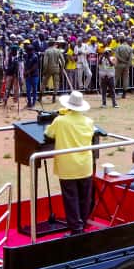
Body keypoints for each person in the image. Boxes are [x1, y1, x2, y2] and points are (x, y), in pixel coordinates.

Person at [44, 91, 95, 235]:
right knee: (84, 197)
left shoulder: (60, 121)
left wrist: (60, 115)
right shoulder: (88, 122)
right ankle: (82, 225)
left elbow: (48, 133)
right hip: (85, 165)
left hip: (68, 166)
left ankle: (76, 229)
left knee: (71, 198)